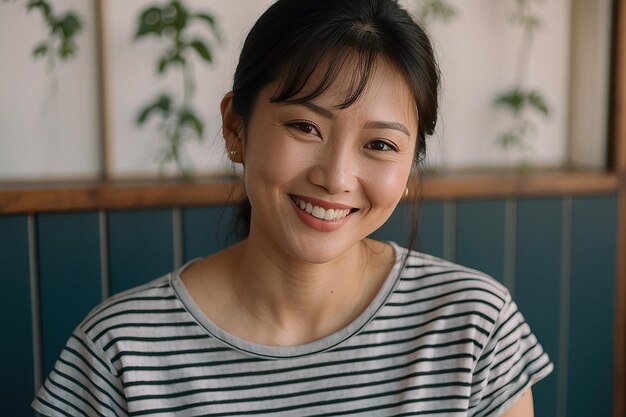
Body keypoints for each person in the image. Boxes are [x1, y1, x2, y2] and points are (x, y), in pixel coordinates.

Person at [32, 0, 553, 415]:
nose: (335, 177)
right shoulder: (121, 352)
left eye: (380, 145)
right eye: (305, 127)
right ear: (236, 128)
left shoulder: (472, 327)